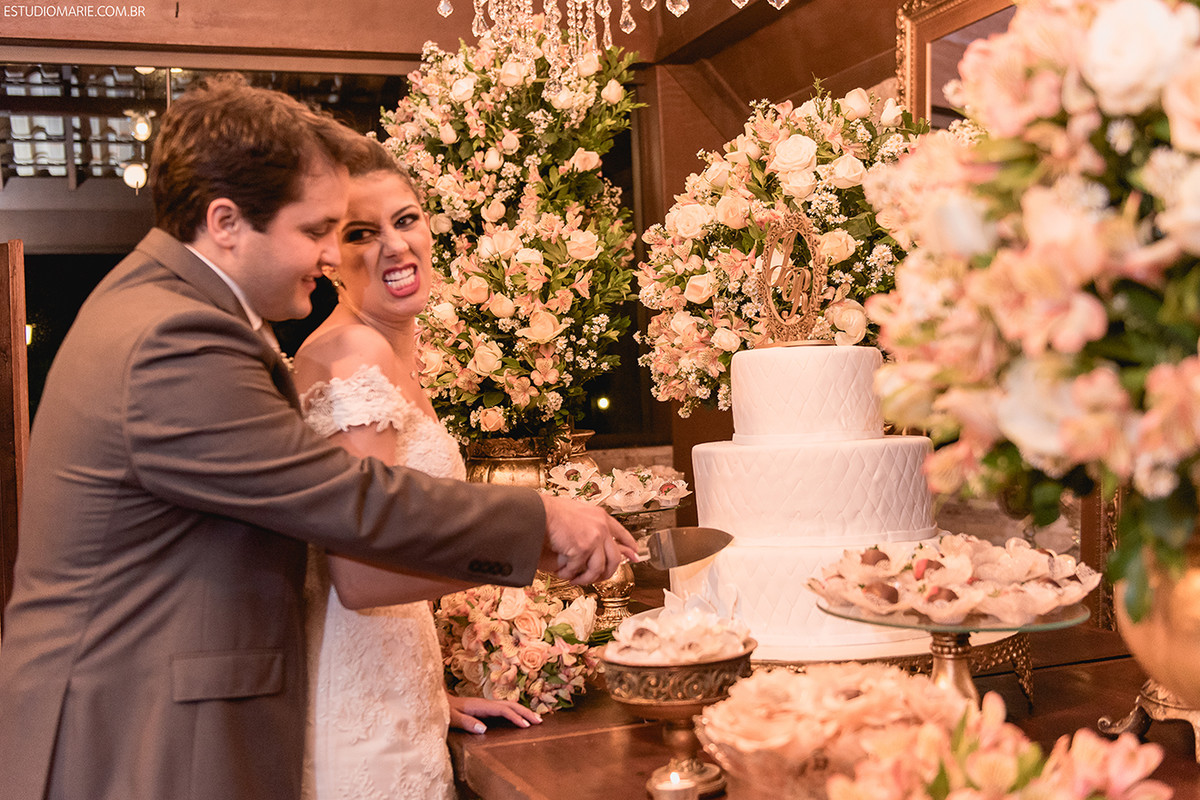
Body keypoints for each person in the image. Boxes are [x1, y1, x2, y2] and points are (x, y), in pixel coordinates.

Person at [0, 74, 637, 800]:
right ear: (226, 223)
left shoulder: (174, 309)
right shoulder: (175, 338)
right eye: (315, 232)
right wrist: (543, 521)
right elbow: (343, 500)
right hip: (135, 737)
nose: (331, 256)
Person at [295, 140, 541, 800]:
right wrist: (532, 546)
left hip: (400, 687)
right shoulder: (351, 358)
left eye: (405, 220)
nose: (394, 248)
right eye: (360, 233)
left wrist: (435, 694)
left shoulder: (387, 352)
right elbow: (362, 574)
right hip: (363, 712)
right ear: (330, 257)